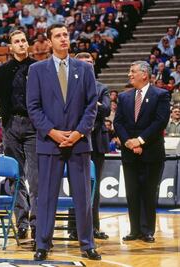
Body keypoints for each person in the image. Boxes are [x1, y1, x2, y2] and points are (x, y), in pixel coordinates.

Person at [26, 23, 100, 261]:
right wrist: (53, 132)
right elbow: (33, 107)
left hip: (79, 142)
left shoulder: (84, 69)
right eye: (57, 36)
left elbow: (91, 106)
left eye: (65, 35)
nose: (63, 39)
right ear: (49, 42)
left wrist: (78, 133)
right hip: (50, 142)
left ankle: (87, 244)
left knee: (83, 197)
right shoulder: (37, 70)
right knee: (46, 197)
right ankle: (43, 244)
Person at [113, 61, 170, 243]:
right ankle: (134, 230)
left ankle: (147, 231)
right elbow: (118, 122)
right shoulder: (124, 97)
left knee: (148, 192)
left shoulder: (161, 95)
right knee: (132, 192)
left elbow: (160, 121)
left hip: (151, 153)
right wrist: (129, 143)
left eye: (133, 71)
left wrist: (140, 140)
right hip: (129, 153)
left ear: (144, 74)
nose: (129, 74)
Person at [0, 30, 38, 241]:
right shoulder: (2, 71)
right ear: (10, 47)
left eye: (23, 41)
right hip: (11, 125)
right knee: (16, 177)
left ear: (28, 44)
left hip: (34, 125)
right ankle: (21, 223)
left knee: (36, 177)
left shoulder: (39, 68)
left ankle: (37, 223)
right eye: (16, 42)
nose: (21, 44)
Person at [70, 52, 111, 240]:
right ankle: (73, 228)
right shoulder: (69, 87)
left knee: (94, 188)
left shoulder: (102, 87)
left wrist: (90, 102)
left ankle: (93, 227)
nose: (87, 65)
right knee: (74, 186)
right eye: (83, 62)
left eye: (90, 63)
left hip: (97, 142)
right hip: (75, 140)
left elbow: (106, 109)